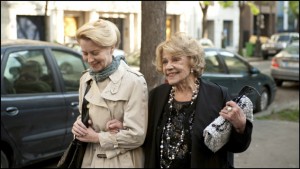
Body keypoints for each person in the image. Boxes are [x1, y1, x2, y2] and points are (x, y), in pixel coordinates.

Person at [143, 32, 253, 168]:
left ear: (192, 61)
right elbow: (144, 137)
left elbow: (236, 146)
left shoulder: (217, 95)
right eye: (165, 61)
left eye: (175, 59)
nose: (168, 66)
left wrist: (240, 126)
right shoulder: (157, 96)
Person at [71, 18, 148, 168]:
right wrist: (78, 127)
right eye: (85, 53)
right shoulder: (86, 79)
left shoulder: (134, 81)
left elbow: (137, 136)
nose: (90, 59)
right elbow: (85, 116)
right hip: (89, 160)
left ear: (111, 48)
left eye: (95, 52)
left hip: (121, 161)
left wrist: (97, 137)